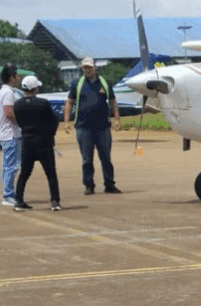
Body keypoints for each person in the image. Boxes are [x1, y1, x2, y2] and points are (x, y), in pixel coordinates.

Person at [62, 57, 122, 195]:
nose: (87, 70)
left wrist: (117, 118)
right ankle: (89, 185)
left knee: (106, 157)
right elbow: (69, 103)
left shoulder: (104, 83)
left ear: (95, 67)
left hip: (103, 127)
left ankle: (109, 184)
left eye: (89, 67)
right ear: (82, 69)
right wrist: (66, 122)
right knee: (87, 159)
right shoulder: (77, 84)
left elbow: (112, 101)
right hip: (83, 126)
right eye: (85, 68)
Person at [12, 76, 61, 212]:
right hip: (43, 141)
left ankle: (19, 200)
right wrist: (51, 135)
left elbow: (19, 122)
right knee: (51, 173)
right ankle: (55, 201)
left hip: (27, 142)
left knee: (24, 173)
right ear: (35, 88)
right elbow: (54, 120)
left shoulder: (18, 104)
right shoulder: (43, 103)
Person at [0, 63, 21, 206]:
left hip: (7, 133)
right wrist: (21, 122)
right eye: (17, 75)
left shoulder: (3, 91)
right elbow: (8, 112)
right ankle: (8, 194)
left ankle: (9, 192)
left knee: (9, 164)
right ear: (12, 78)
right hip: (10, 133)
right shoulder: (8, 93)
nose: (19, 78)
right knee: (11, 165)